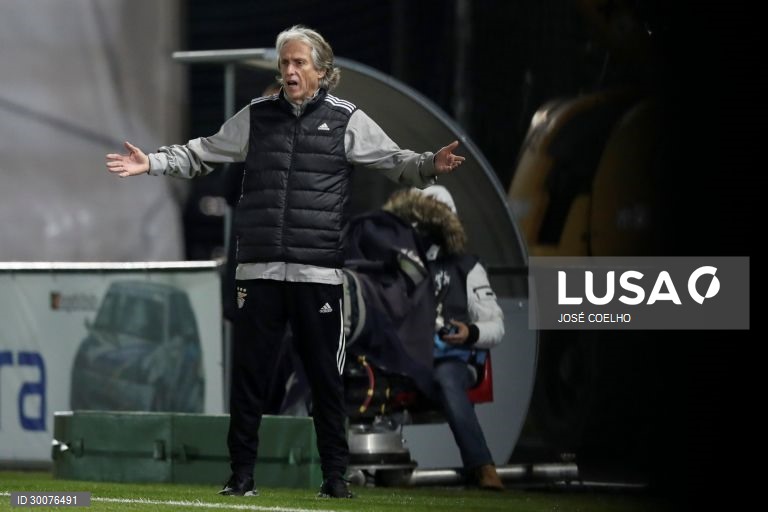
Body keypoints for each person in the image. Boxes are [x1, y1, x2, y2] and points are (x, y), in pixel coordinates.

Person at [105, 25, 464, 499]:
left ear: (322, 71)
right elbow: (204, 151)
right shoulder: (256, 117)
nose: (290, 70)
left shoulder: (346, 120)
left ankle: (335, 479)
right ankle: (241, 477)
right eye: (285, 63)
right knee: (250, 381)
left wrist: (428, 165)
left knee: (325, 380)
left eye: (299, 63)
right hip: (258, 273)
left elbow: (394, 160)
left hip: (317, 275)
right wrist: (151, 162)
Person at [382, 185, 505, 490]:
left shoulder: (468, 268)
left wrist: (470, 332)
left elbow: (497, 327)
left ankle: (482, 466)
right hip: (407, 362)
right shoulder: (401, 267)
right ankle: (331, 463)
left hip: (454, 360)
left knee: (446, 376)